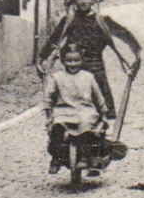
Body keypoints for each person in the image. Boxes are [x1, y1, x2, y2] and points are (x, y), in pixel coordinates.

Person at [37, 0, 142, 123]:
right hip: (72, 70)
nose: (83, 1)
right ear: (74, 0)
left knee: (99, 112)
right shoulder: (69, 21)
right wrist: (41, 59)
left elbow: (124, 34)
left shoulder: (102, 21)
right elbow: (53, 40)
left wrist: (137, 52)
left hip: (95, 69)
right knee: (70, 110)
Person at [43, 43, 109, 173]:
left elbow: (98, 96)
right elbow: (49, 95)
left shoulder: (88, 77)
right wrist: (48, 112)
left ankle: (85, 156)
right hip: (64, 110)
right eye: (69, 60)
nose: (73, 64)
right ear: (63, 61)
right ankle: (57, 156)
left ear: (82, 60)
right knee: (57, 126)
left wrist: (103, 112)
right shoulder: (57, 77)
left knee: (86, 126)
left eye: (76, 60)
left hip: (84, 109)